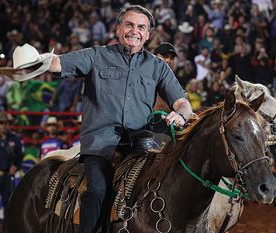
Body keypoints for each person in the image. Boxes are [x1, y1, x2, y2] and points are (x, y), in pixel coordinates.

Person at [44, 4, 193, 233]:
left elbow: (183, 102)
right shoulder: (96, 55)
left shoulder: (157, 67)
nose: (135, 31)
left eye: (141, 27)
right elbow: (59, 63)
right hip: (100, 144)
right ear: (118, 28)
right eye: (129, 24)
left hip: (140, 146)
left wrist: (181, 114)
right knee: (97, 191)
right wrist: (36, 60)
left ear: (148, 34)